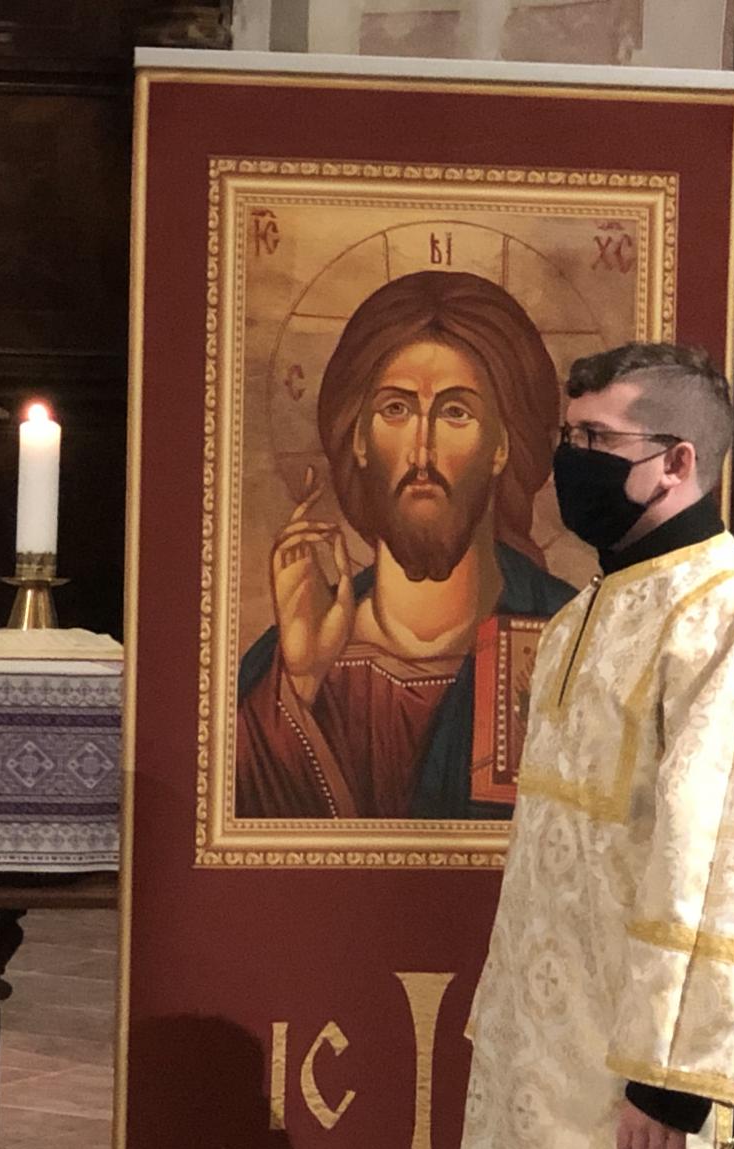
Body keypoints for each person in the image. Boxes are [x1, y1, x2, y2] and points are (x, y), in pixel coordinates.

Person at [458, 342, 734, 1149]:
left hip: (652, 1077)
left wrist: (672, 1077)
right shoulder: (583, 614)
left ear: (678, 462)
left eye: (597, 440)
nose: (570, 461)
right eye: (569, 436)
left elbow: (726, 861)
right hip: (552, 1044)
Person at [236, 270, 574, 820]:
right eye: (395, 409)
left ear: (502, 445)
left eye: (456, 412)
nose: (421, 452)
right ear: (359, 439)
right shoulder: (288, 665)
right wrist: (300, 684)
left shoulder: (563, 634)